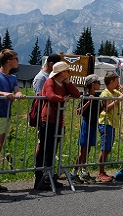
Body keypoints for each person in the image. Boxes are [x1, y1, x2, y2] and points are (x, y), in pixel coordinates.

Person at [34, 61, 80, 190]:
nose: (69, 73)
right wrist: (62, 98)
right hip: (48, 119)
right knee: (44, 148)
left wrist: (68, 83)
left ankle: (50, 177)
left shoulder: (64, 84)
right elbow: (50, 95)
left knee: (53, 149)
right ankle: (39, 178)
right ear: (62, 72)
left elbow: (76, 94)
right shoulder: (50, 82)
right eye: (67, 71)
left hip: (59, 120)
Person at [0, 49, 25, 193]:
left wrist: (19, 93)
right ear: (9, 61)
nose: (18, 61)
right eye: (16, 58)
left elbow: (16, 90)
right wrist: (4, 93)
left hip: (5, 114)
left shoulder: (13, 78)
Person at [97, 72, 123, 182]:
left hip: (112, 123)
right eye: (117, 80)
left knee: (108, 148)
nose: (118, 83)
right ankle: (100, 172)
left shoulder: (116, 92)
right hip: (105, 122)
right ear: (111, 81)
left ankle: (103, 171)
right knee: (104, 148)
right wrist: (118, 99)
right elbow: (106, 108)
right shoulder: (105, 94)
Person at [71, 74, 101, 185]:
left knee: (87, 149)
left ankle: (83, 171)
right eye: (98, 82)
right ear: (93, 84)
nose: (99, 84)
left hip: (93, 124)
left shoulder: (98, 96)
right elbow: (79, 111)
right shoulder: (85, 96)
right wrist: (89, 101)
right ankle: (74, 172)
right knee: (83, 150)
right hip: (86, 123)